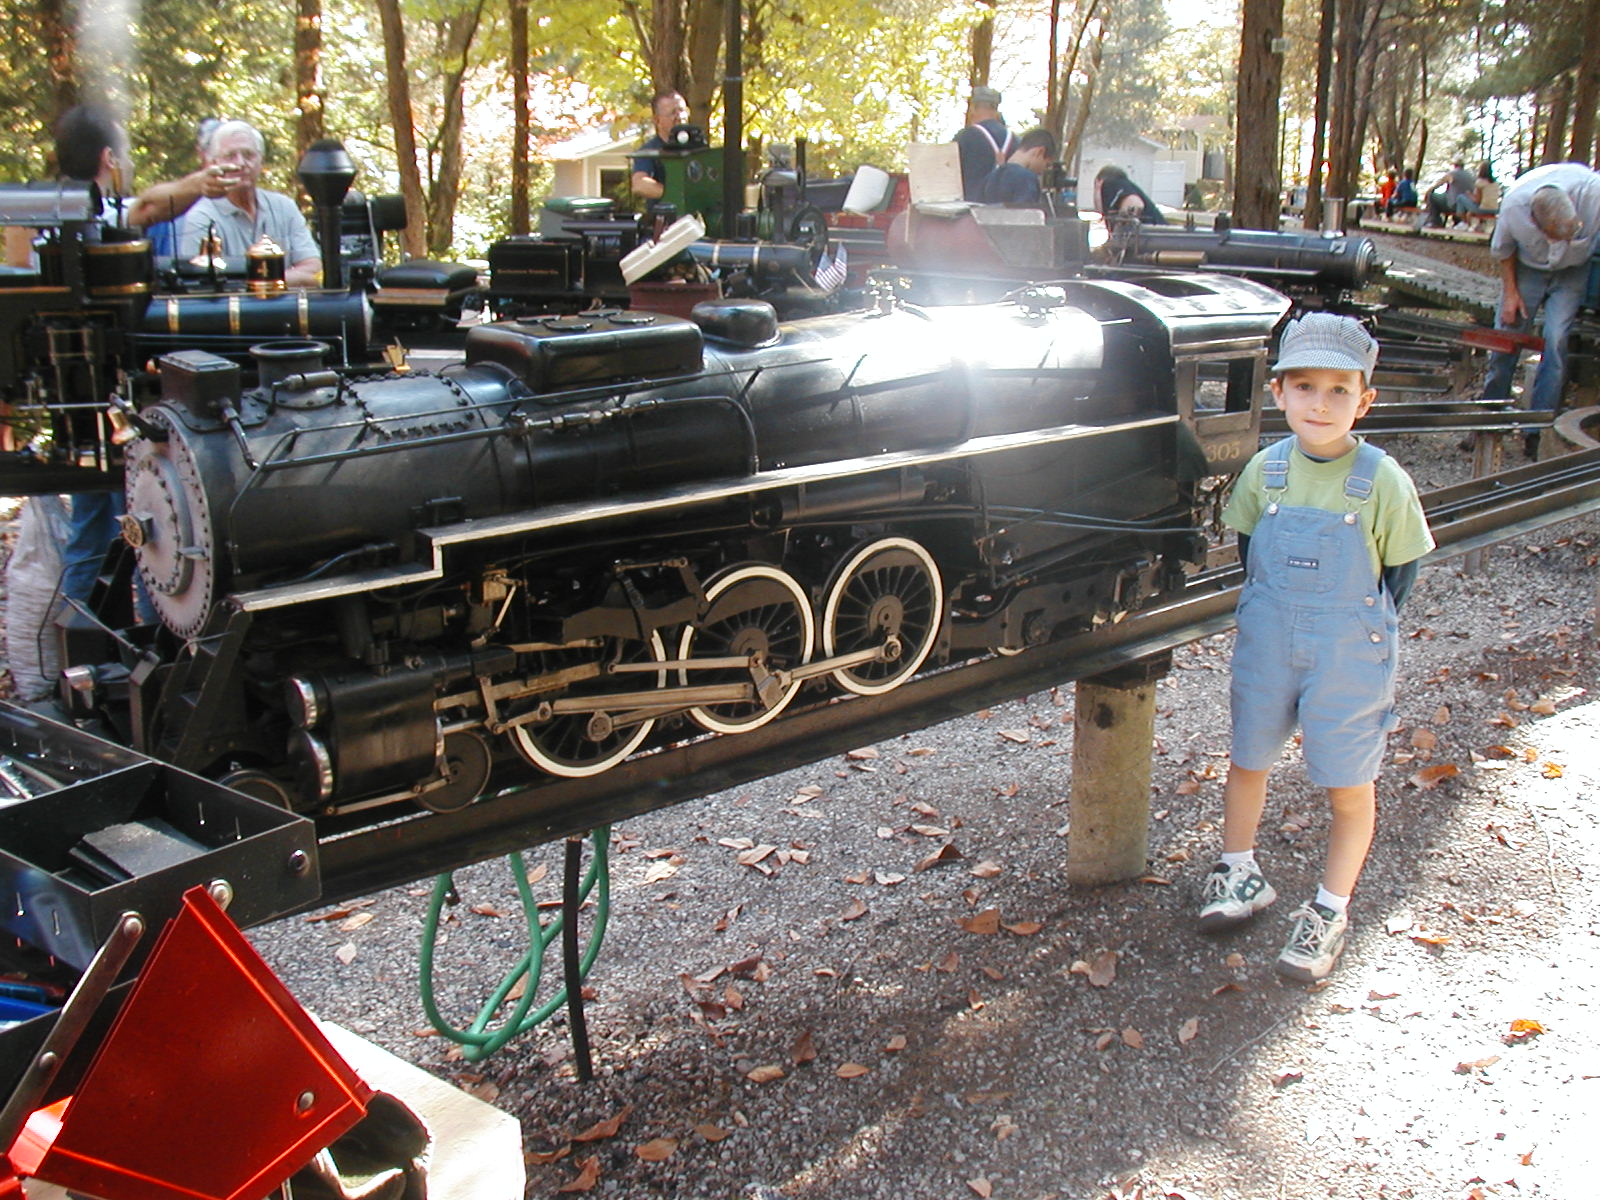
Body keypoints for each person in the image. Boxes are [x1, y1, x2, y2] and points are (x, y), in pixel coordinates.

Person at [1198, 313, 1435, 982]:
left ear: (1365, 400)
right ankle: (1239, 870)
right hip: (1270, 642)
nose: (1320, 404)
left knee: (1347, 783)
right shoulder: (1264, 473)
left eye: (1339, 390)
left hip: (1346, 654)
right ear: (1278, 393)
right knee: (1249, 758)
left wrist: (1354, 637)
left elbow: (1398, 579)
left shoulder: (1381, 482)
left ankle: (1330, 910)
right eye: (1305, 386)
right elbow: (1252, 556)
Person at [1479, 162, 1600, 456]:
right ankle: (1486, 421)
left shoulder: (1594, 194)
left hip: (1573, 271)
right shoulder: (1514, 206)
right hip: (1527, 269)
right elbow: (1504, 250)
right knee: (1506, 340)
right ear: (1535, 223)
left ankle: (1537, 429)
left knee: (1556, 339)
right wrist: (1511, 294)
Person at [177, 119, 321, 287]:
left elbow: (315, 271)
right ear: (214, 163)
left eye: (248, 155)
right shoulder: (202, 217)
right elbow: (199, 284)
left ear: (261, 161)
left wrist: (252, 282)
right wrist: (288, 279)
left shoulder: (285, 207)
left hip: (290, 310)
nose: (240, 163)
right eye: (230, 156)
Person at [954, 86, 1013, 202]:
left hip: (971, 212)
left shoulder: (964, 138)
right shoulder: (1015, 140)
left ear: (973, 109)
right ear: (996, 110)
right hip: (1005, 212)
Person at [630, 91, 689, 202]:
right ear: (657, 120)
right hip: (667, 217)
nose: (680, 117)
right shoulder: (649, 151)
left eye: (682, 110)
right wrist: (678, 195)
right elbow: (639, 184)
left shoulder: (699, 147)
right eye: (672, 113)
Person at [979, 128, 1057, 206]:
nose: (1042, 171)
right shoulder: (1027, 178)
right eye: (1046, 164)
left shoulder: (990, 177)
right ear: (1040, 151)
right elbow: (1025, 214)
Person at [1095, 164, 1166, 225]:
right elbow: (1101, 212)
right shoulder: (1123, 185)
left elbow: (1135, 203)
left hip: (1155, 237)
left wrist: (1121, 225)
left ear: (1099, 181)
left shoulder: (1113, 184)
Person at [1423, 159, 1481, 227]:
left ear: (1454, 165)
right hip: (1467, 207)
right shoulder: (1471, 176)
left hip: (1454, 206)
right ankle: (1457, 222)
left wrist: (1427, 192)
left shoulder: (1452, 174)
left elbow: (1437, 185)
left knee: (1431, 196)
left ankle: (1434, 221)